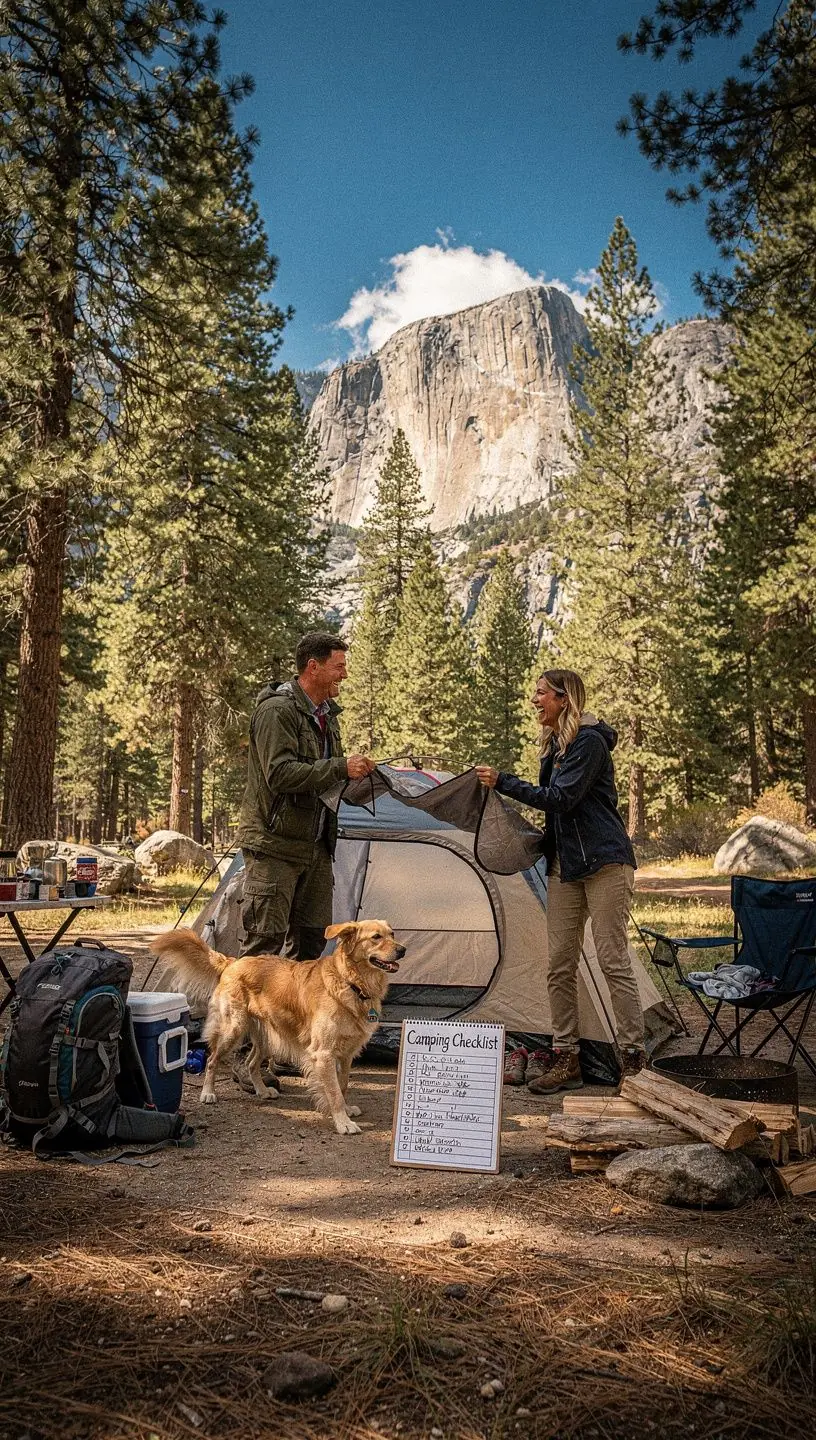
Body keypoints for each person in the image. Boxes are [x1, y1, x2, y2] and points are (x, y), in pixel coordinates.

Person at [476, 669, 646, 1093]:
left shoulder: (588, 742)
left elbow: (563, 799)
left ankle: (633, 1059)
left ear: (563, 699)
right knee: (559, 965)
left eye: (541, 694)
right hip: (565, 867)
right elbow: (557, 811)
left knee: (612, 960)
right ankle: (567, 1057)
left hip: (605, 863)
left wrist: (504, 782)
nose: (535, 700)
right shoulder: (555, 744)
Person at [236, 631, 375, 960]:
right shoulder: (277, 712)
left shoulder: (327, 717)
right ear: (313, 667)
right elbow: (280, 774)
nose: (345, 674)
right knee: (263, 944)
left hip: (315, 847)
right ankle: (244, 1013)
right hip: (275, 845)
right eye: (339, 666)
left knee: (312, 941)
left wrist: (356, 776)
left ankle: (294, 1012)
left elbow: (321, 775)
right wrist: (341, 767)